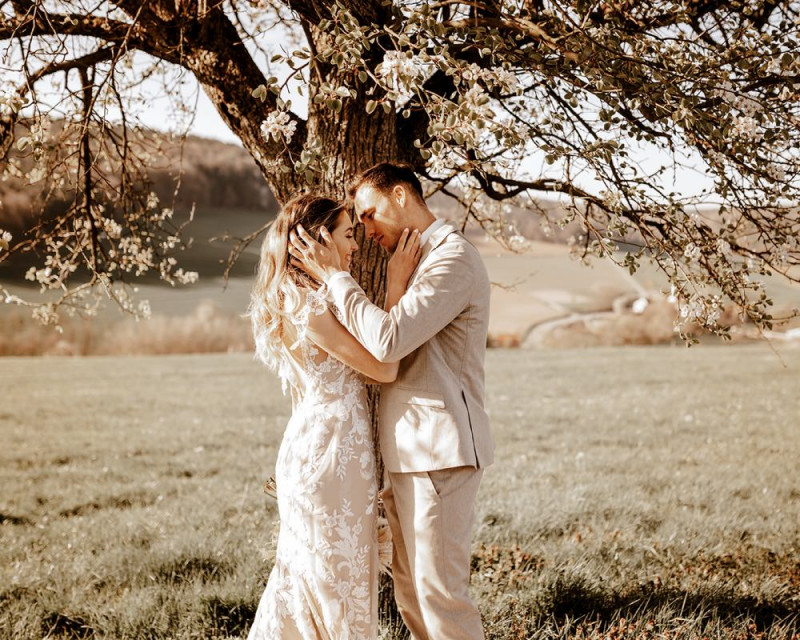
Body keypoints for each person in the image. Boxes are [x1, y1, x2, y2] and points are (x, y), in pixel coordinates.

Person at [289, 163, 495, 640]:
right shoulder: (419, 259)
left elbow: (388, 342)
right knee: (411, 595)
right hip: (408, 451)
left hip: (440, 451)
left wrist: (333, 278)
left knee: (440, 596)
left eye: (369, 213)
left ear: (400, 196)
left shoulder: (453, 259)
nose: (365, 229)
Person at [246, 193, 422, 640]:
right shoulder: (307, 304)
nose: (356, 246)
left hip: (322, 447)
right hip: (329, 456)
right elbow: (384, 366)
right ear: (319, 240)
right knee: (336, 585)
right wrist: (396, 285)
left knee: (317, 580)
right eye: (347, 235)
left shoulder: (295, 295)